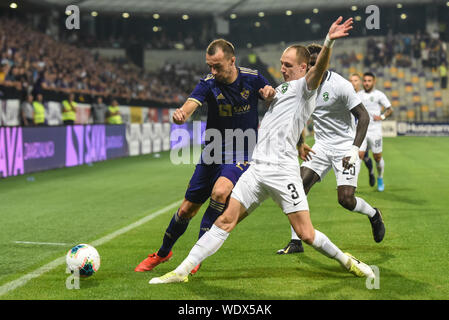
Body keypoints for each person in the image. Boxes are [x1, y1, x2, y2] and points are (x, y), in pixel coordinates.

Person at [149, 17, 376, 284]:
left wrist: (328, 42)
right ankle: (181, 272)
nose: (282, 68)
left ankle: (348, 261)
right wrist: (275, 102)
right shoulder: (280, 89)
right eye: (281, 63)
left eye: (288, 65)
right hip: (257, 169)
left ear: (304, 68)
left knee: (306, 234)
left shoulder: (306, 88)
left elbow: (317, 71)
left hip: (282, 173)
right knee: (225, 221)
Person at [135, 39, 271, 275]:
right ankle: (163, 253)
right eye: (210, 66)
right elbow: (190, 104)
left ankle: (195, 257)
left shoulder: (253, 77)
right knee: (187, 209)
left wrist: (269, 92)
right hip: (212, 153)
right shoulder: (209, 83)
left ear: (232, 60)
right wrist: (181, 115)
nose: (213, 71)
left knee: (220, 192)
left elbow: (270, 94)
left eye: (217, 66)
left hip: (242, 153)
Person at [277, 44, 385, 255]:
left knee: (345, 199)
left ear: (324, 63)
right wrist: (300, 143)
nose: (312, 68)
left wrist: (355, 149)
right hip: (322, 146)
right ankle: (295, 241)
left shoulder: (340, 85)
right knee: (297, 187)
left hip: (345, 145)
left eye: (316, 63)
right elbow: (298, 117)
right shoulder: (304, 85)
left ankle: (373, 214)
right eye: (309, 64)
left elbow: (363, 116)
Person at [358, 72, 393, 192]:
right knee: (359, 156)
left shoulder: (379, 95)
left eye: (369, 81)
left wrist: (382, 117)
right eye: (365, 81)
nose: (366, 83)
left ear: (374, 82)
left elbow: (389, 109)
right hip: (362, 130)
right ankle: (352, 184)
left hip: (375, 131)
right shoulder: (358, 95)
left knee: (377, 157)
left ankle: (380, 178)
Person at [350, 73, 375, 187]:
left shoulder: (362, 96)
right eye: (351, 80)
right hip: (350, 131)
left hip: (362, 130)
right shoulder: (346, 95)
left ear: (359, 82)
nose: (353, 83)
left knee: (360, 155)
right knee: (361, 156)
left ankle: (352, 181)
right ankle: (349, 180)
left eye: (355, 80)